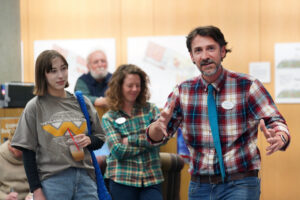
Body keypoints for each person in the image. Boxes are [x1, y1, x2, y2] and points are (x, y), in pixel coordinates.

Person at [147, 25, 290, 200]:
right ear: (192, 57)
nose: (205, 56)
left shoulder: (247, 85)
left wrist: (281, 135)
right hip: (199, 185)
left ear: (222, 51)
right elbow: (156, 136)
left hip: (240, 182)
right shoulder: (182, 91)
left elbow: (274, 120)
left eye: (211, 48)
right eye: (198, 50)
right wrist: (156, 128)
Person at [11, 50, 106, 200]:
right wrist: (36, 190)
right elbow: (27, 152)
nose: (61, 75)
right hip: (52, 182)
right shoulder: (34, 107)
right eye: (53, 71)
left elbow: (100, 138)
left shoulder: (82, 102)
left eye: (63, 68)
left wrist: (89, 140)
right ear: (43, 75)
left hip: (86, 179)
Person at [102, 64, 164, 200]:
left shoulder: (151, 109)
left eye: (138, 85)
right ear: (119, 87)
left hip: (151, 178)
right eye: (130, 85)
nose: (135, 89)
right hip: (122, 178)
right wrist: (149, 142)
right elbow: (118, 150)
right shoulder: (109, 117)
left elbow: (161, 139)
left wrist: (129, 140)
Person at [0, 129, 32, 200]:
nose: (25, 151)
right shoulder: (1, 156)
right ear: (11, 146)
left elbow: (41, 180)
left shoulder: (31, 153)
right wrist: (5, 197)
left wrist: (32, 195)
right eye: (21, 149)